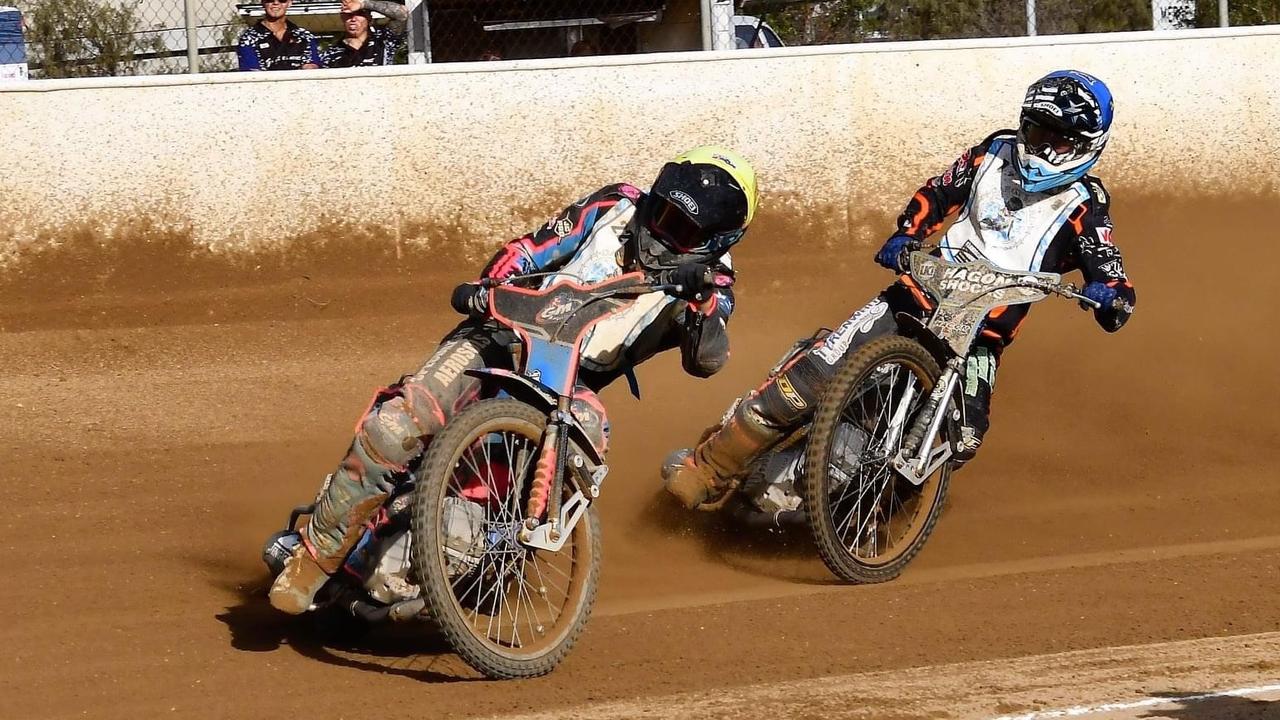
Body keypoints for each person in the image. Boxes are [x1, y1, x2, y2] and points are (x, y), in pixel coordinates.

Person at [269, 147, 759, 613]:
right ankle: (312, 559)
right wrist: (488, 289)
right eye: (661, 210)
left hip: (570, 382)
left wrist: (700, 303)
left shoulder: (715, 281)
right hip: (500, 333)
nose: (658, 227)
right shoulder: (616, 204)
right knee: (396, 426)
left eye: (679, 226)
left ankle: (503, 554)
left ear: (715, 241)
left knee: (590, 434)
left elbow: (707, 359)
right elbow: (531, 247)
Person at [662, 70, 1138, 510]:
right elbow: (939, 192)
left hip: (979, 341)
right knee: (807, 382)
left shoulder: (1085, 206)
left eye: (1058, 139)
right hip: (914, 298)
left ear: (1086, 145)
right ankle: (708, 468)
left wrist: (1110, 296)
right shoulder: (994, 151)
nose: (1041, 148)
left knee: (962, 437)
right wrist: (908, 232)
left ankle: (864, 514)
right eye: (1036, 132)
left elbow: (1111, 271)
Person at [237, 0, 321, 71]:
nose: (276, 2)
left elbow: (313, 66)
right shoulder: (249, 38)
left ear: (289, 2)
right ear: (263, 2)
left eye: (282, 0)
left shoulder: (304, 36)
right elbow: (252, 73)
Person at [320, 0, 406, 68]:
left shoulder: (383, 41)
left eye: (359, 14)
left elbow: (401, 14)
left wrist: (363, 4)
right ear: (342, 17)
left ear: (369, 18)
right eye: (349, 14)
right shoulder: (330, 54)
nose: (353, 19)